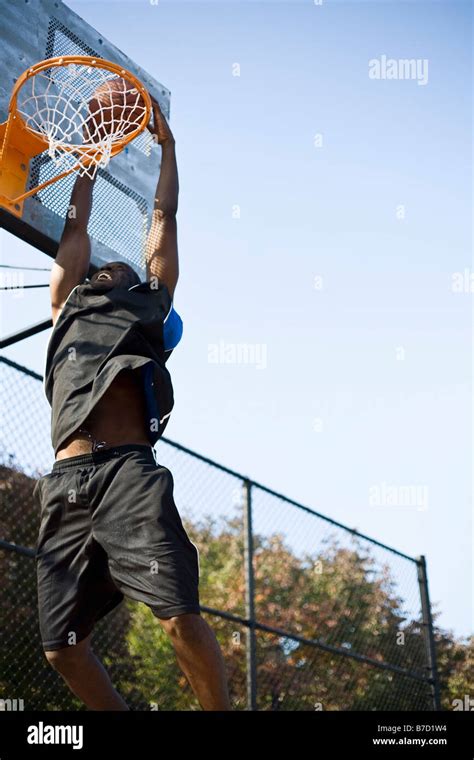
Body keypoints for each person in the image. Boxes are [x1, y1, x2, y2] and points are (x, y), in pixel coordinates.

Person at [33, 99, 231, 711]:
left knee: (176, 617)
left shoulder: (148, 309)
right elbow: (74, 229)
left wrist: (169, 151)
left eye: (120, 267)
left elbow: (164, 215)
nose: (105, 264)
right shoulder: (66, 303)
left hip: (125, 474)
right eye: (99, 264)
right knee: (61, 647)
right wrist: (89, 157)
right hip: (64, 483)